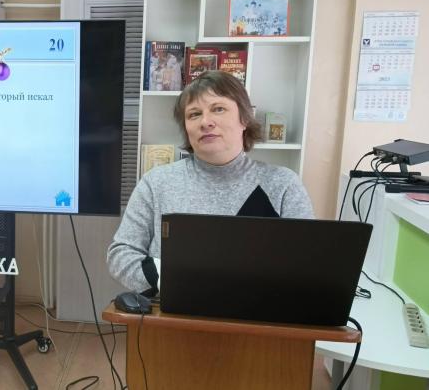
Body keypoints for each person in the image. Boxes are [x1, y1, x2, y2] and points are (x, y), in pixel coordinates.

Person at [106, 70, 314, 296]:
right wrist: (175, 280)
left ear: (244, 118)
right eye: (194, 114)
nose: (206, 122)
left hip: (257, 313)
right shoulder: (156, 183)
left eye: (218, 109)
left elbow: (307, 265)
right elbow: (120, 254)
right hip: (172, 312)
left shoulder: (283, 185)